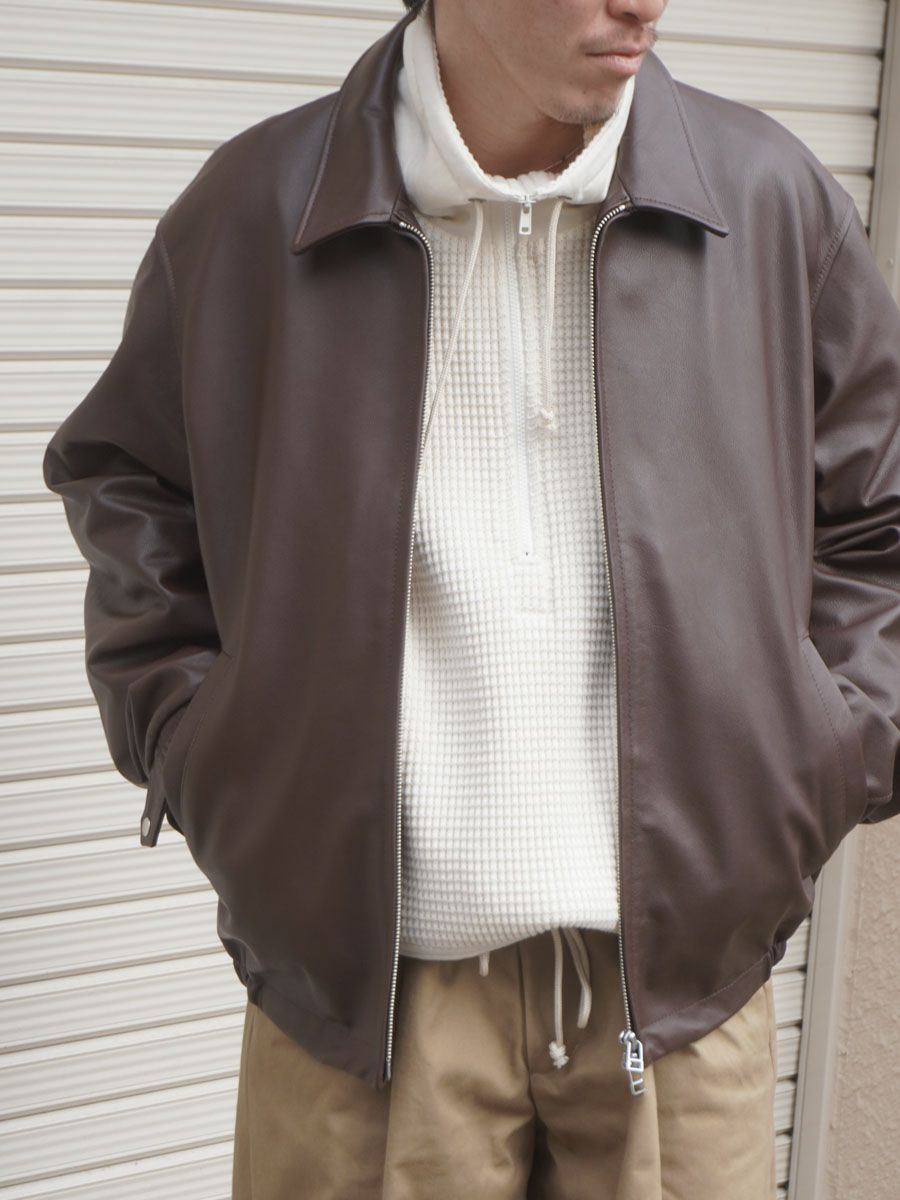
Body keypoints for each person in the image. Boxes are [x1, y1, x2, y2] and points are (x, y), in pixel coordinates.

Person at [42, 0, 900, 1196]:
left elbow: (877, 517)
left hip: (681, 1000)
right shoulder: (258, 208)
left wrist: (829, 748)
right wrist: (203, 747)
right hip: (360, 1006)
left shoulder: (766, 201)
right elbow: (130, 480)